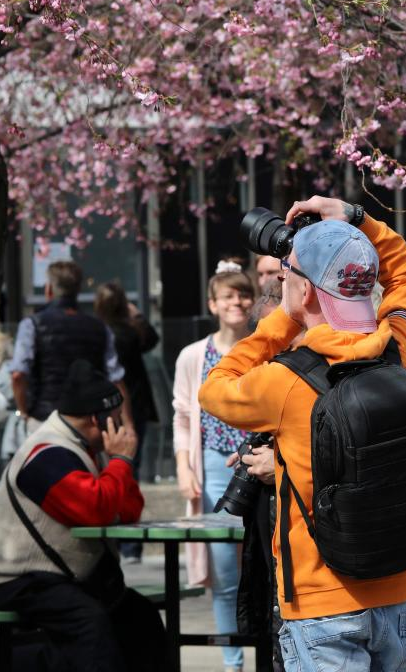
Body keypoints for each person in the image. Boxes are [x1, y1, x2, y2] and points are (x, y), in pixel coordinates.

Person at [199, 194, 406, 672]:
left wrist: (284, 320)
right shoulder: (401, 352)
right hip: (397, 591)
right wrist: (358, 219)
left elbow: (215, 390)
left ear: (305, 293)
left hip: (320, 601)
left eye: (288, 275)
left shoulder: (284, 382)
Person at [0, 359, 166, 672]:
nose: (122, 426)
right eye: (116, 418)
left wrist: (117, 465)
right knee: (90, 624)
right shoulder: (47, 454)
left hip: (64, 577)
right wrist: (122, 461)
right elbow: (95, 511)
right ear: (98, 420)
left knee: (140, 616)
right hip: (24, 581)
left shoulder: (84, 449)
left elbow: (126, 509)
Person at [172, 261, 255, 672]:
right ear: (213, 304)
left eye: (243, 294)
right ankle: (232, 662)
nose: (237, 302)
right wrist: (184, 467)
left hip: (260, 465)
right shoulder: (193, 356)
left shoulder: (265, 348)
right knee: (225, 574)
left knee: (264, 564)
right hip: (213, 467)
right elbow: (183, 416)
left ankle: (268, 655)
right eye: (228, 296)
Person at [10, 260, 130, 430]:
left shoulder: (32, 324)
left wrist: (23, 413)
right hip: (89, 421)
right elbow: (116, 378)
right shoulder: (100, 327)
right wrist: (128, 425)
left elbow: (18, 375)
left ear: (49, 289)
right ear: (78, 290)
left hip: (45, 418)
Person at [94, 281, 159, 563]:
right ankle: (131, 546)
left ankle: (119, 542)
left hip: (109, 410)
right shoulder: (129, 332)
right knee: (130, 472)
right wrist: (138, 316)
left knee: (111, 473)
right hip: (134, 410)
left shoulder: (100, 334)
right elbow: (152, 340)